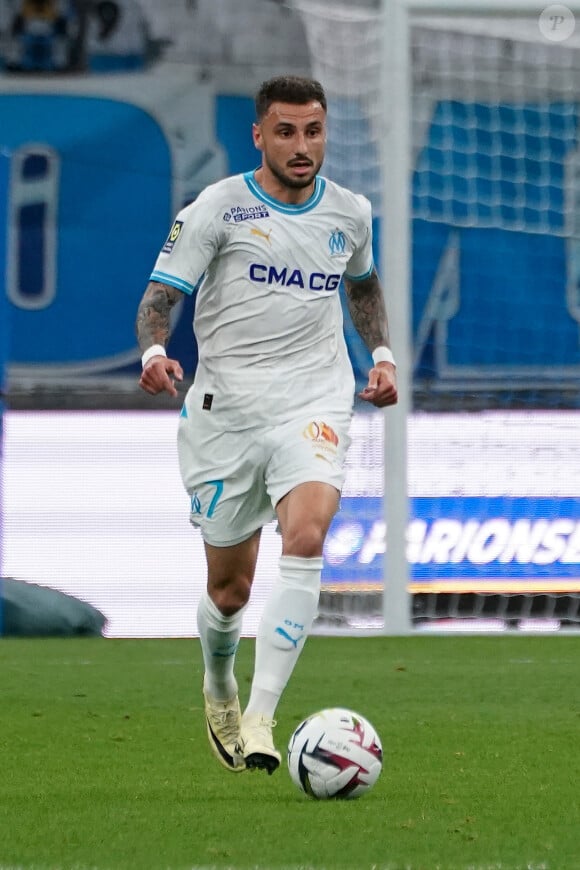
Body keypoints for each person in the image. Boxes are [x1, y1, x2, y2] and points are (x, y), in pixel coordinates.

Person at [135, 74, 397, 776]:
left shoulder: (349, 212)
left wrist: (381, 354)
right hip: (226, 413)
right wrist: (156, 352)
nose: (302, 145)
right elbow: (160, 296)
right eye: (286, 131)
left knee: (308, 534)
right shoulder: (218, 209)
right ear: (259, 136)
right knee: (230, 592)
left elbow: (363, 283)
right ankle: (219, 681)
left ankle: (260, 716)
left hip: (312, 400)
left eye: (313, 130)